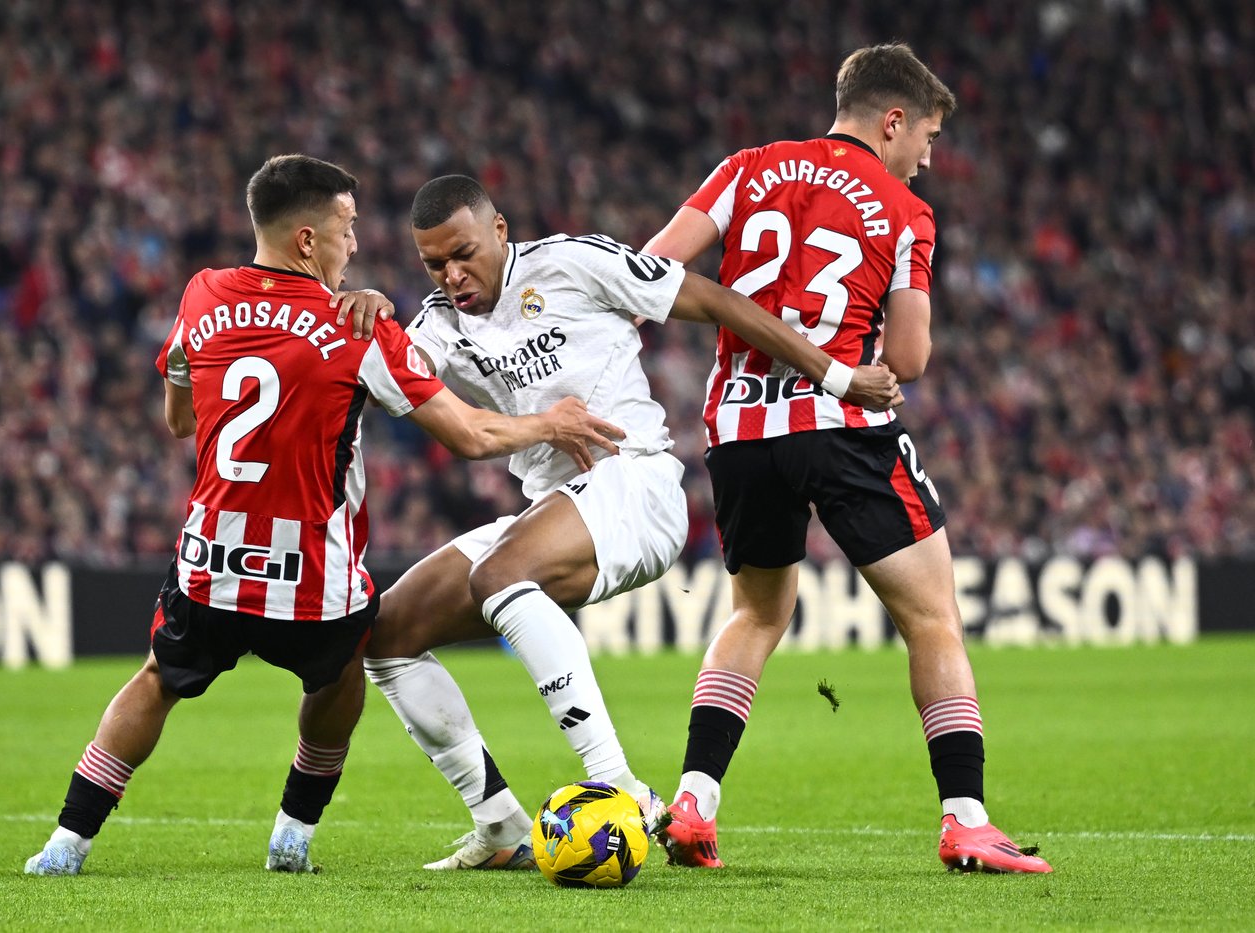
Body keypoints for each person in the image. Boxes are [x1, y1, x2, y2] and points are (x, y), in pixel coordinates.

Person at [22, 155, 627, 876]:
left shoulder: (203, 293)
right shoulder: (356, 329)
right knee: (342, 670)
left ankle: (67, 841)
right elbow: (470, 436)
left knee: (158, 677)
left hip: (211, 563)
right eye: (348, 226)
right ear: (308, 240)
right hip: (313, 576)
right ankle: (292, 835)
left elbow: (180, 418)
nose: (357, 243)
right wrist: (549, 423)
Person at [298, 173, 901, 871]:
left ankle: (623, 788)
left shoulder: (572, 263)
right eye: (435, 264)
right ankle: (499, 825)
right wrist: (361, 311)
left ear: (500, 231)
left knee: (500, 574)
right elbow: (361, 378)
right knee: (386, 634)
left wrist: (837, 376)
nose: (453, 274)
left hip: (635, 481)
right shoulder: (436, 329)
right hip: (552, 513)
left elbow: (713, 298)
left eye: (464, 253)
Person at [641, 43, 1052, 874]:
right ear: (891, 119)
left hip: (738, 429)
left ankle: (693, 802)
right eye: (927, 138)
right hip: (839, 420)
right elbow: (909, 356)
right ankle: (966, 818)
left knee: (756, 613)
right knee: (932, 616)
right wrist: (845, 359)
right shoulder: (903, 210)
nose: (927, 160)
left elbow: (648, 271)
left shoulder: (745, 167)